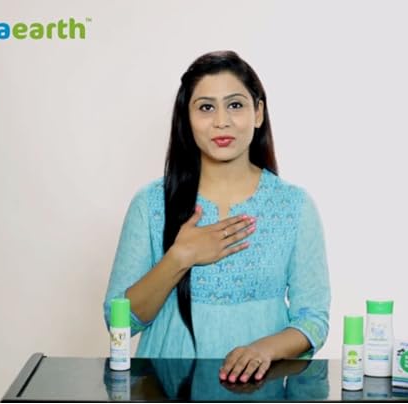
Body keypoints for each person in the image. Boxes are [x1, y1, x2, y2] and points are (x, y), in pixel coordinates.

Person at [103, 50, 330, 384]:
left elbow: (313, 319)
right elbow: (119, 320)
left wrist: (266, 348)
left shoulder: (294, 206)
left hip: (259, 391)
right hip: (167, 390)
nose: (221, 121)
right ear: (187, 118)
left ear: (258, 113)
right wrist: (180, 257)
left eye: (235, 105)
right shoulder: (151, 203)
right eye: (206, 107)